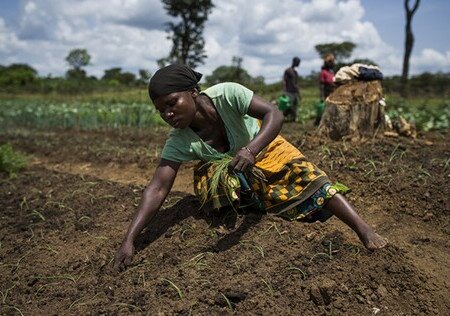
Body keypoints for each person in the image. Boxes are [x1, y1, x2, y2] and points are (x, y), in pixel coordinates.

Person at [114, 64, 387, 269]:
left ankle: (363, 229)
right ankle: (253, 202)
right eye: (161, 110)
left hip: (264, 146)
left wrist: (251, 149)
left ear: (194, 92)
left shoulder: (227, 94)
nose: (168, 114)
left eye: (172, 103)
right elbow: (158, 188)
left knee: (310, 178)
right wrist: (130, 239)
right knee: (209, 176)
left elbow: (274, 114)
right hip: (233, 168)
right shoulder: (178, 139)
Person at [316, 53, 335, 125]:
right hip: (327, 92)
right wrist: (321, 96)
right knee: (326, 108)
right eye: (331, 62)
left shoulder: (331, 72)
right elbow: (321, 85)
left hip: (333, 92)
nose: (333, 64)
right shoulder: (323, 72)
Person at [282, 57, 301, 122]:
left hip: (295, 91)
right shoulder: (288, 71)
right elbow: (284, 81)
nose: (299, 64)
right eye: (298, 62)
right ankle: (282, 116)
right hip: (289, 91)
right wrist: (284, 91)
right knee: (289, 106)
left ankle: (293, 119)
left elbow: (296, 83)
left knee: (295, 105)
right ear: (294, 62)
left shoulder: (295, 72)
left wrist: (298, 92)